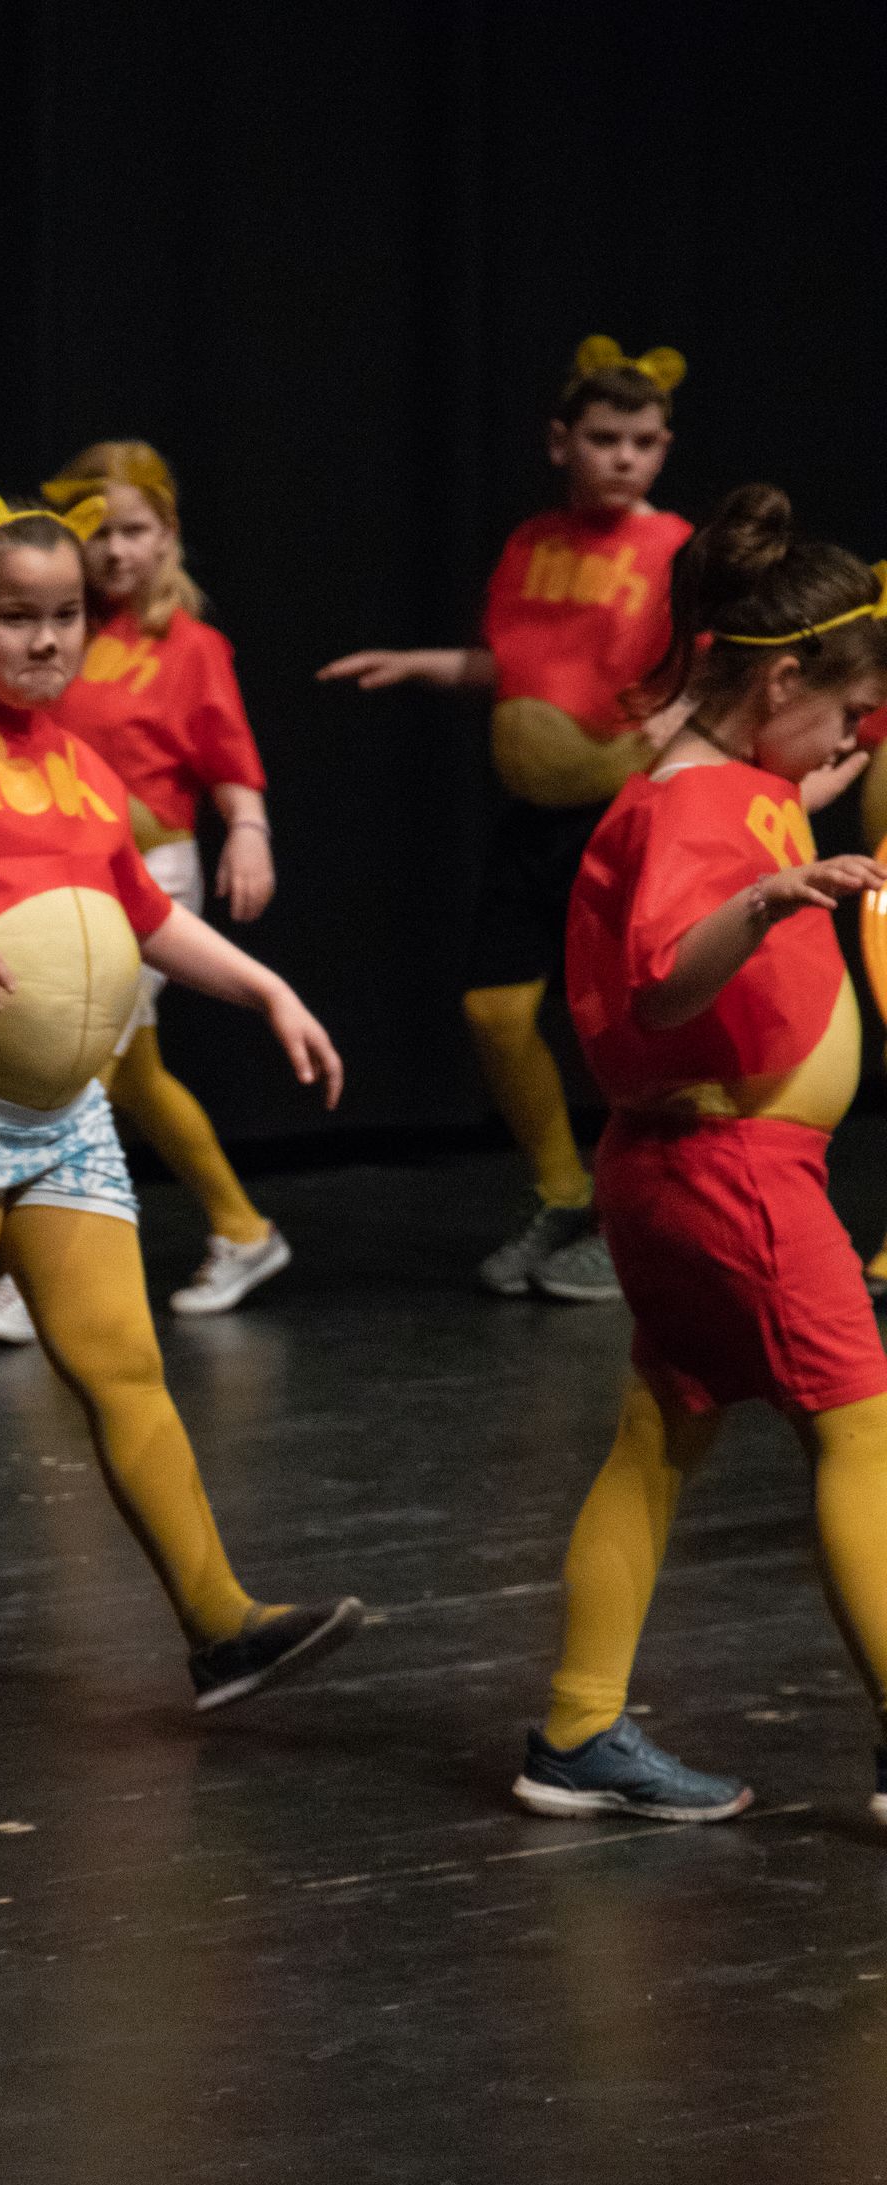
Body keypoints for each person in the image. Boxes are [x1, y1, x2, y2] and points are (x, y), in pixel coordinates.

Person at [0, 486, 363, 1716]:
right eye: (15, 616)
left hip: (62, 1121)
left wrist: (265, 990)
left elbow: (144, 918)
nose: (46, 640)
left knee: (124, 1366)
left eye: (66, 616)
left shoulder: (80, 763)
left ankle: (220, 1623)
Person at [513, 487, 887, 1828]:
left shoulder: (742, 783)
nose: (857, 740)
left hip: (685, 1173)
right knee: (863, 1431)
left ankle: (576, 1731)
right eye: (850, 713)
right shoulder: (690, 812)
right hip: (733, 1178)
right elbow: (666, 984)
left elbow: (767, 800)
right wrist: (771, 897)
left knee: (657, 1439)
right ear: (781, 680)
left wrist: (799, 811)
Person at [320, 337, 691, 1302]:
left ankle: (631, 1218)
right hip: (534, 819)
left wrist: (679, 737)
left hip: (620, 817)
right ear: (560, 441)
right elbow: (523, 667)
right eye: (604, 439)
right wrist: (422, 664)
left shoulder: (675, 548)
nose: (624, 458)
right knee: (493, 1010)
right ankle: (563, 1194)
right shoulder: (534, 542)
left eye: (644, 442)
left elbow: (709, 668)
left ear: (663, 448)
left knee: (618, 1026)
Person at [0, 438, 286, 1345]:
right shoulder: (61, 630)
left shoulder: (191, 647)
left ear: (168, 534)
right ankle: (244, 1229)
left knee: (79, 1070)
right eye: (98, 532)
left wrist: (250, 832)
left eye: (135, 530)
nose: (116, 550)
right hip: (63, 875)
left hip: (154, 878)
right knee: (136, 1075)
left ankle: (30, 1276)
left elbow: (231, 761)